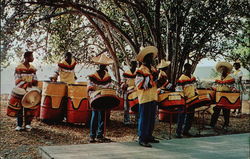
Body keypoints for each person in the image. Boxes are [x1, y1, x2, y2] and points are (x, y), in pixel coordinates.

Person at [135, 46, 159, 147]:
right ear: (145, 59)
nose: (151, 59)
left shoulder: (153, 69)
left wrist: (157, 79)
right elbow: (139, 85)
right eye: (149, 57)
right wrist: (152, 79)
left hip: (153, 96)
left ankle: (149, 136)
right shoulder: (140, 70)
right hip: (144, 97)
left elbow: (156, 82)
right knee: (144, 119)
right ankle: (142, 138)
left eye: (151, 57)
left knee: (151, 118)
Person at [87, 54, 114, 143]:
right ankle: (92, 136)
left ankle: (100, 135)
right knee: (94, 116)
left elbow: (109, 88)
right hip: (95, 98)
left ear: (106, 66)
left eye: (104, 65)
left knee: (103, 117)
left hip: (104, 99)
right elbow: (90, 88)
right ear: (98, 65)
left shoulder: (108, 77)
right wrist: (92, 97)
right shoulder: (92, 76)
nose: (102, 66)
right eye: (101, 65)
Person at [207, 62, 236, 130]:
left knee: (226, 111)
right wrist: (211, 89)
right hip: (218, 97)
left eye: (224, 70)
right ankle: (212, 125)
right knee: (216, 111)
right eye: (222, 70)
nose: (223, 71)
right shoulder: (218, 78)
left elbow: (233, 87)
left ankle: (226, 125)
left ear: (226, 71)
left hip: (226, 97)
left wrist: (234, 90)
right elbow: (215, 87)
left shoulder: (230, 78)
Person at [14, 51, 38, 131]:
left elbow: (35, 80)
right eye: (31, 56)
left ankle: (28, 124)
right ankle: (19, 125)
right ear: (26, 57)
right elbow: (17, 80)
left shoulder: (33, 68)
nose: (33, 58)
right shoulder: (19, 67)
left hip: (29, 90)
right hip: (21, 90)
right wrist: (28, 83)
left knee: (29, 107)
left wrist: (32, 82)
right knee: (20, 107)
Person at [175, 63, 197, 138]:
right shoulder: (181, 79)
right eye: (189, 68)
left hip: (192, 100)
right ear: (185, 69)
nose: (190, 70)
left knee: (190, 116)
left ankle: (186, 131)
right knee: (181, 116)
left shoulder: (192, 77)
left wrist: (196, 93)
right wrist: (183, 98)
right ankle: (178, 132)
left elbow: (195, 87)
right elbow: (178, 90)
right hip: (184, 100)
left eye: (191, 68)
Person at [121, 60, 137, 125]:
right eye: (133, 64)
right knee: (126, 106)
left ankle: (137, 120)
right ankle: (126, 121)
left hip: (136, 91)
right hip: (127, 91)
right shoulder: (126, 72)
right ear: (130, 65)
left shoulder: (138, 72)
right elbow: (122, 82)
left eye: (136, 65)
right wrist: (124, 86)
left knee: (136, 105)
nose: (135, 66)